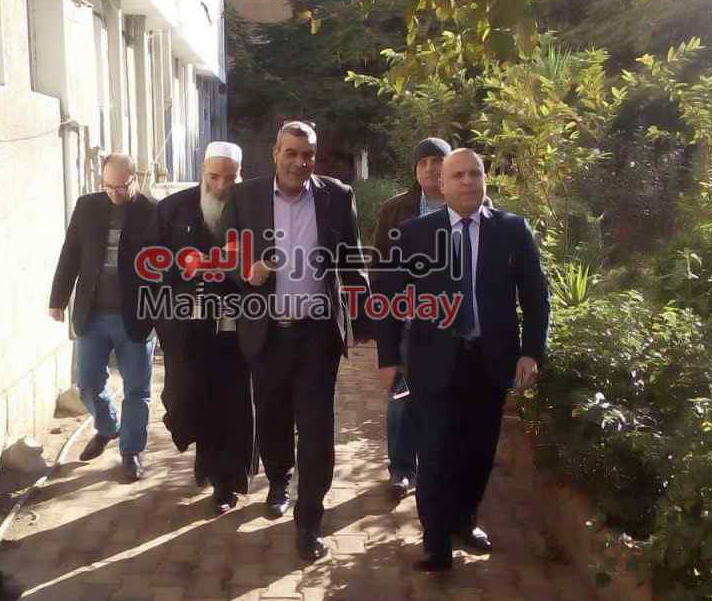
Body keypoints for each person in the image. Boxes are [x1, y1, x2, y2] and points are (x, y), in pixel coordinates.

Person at [374, 148, 550, 572]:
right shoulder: (415, 233)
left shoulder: (512, 229)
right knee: (435, 452)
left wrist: (531, 351)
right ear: (442, 184)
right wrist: (388, 358)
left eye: (475, 174)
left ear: (485, 180)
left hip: (491, 361)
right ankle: (435, 543)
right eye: (458, 175)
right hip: (433, 362)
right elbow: (388, 299)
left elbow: (535, 295)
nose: (468, 181)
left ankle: (464, 521)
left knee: (478, 453)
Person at [220, 121, 372, 560]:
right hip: (267, 333)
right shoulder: (245, 197)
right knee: (272, 417)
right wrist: (246, 272)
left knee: (317, 427)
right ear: (275, 153)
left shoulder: (337, 196)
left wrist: (367, 321)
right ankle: (278, 479)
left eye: (307, 155)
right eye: (291, 153)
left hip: (316, 336)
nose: (299, 162)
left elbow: (351, 260)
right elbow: (227, 255)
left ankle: (310, 520)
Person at [141, 141, 259, 515]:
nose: (221, 186)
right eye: (213, 177)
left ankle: (225, 481)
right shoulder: (172, 209)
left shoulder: (254, 208)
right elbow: (151, 268)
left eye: (229, 178)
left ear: (240, 175)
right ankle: (205, 455)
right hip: (187, 326)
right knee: (185, 399)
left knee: (231, 402)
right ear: (201, 172)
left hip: (237, 325)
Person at [48, 153, 157, 481]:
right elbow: (70, 253)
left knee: (137, 389)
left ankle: (131, 451)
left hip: (135, 316)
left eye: (121, 187)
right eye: (108, 186)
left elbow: (165, 265)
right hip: (93, 314)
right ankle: (108, 426)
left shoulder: (152, 211)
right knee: (87, 382)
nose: (114, 193)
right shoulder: (87, 206)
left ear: (135, 178)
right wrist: (58, 299)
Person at [370, 137, 452, 500]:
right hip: (408, 322)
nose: (431, 169)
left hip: (454, 323)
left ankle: (440, 468)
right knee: (402, 397)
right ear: (415, 170)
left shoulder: (471, 203)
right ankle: (402, 470)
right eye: (423, 163)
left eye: (437, 161)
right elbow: (378, 268)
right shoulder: (395, 210)